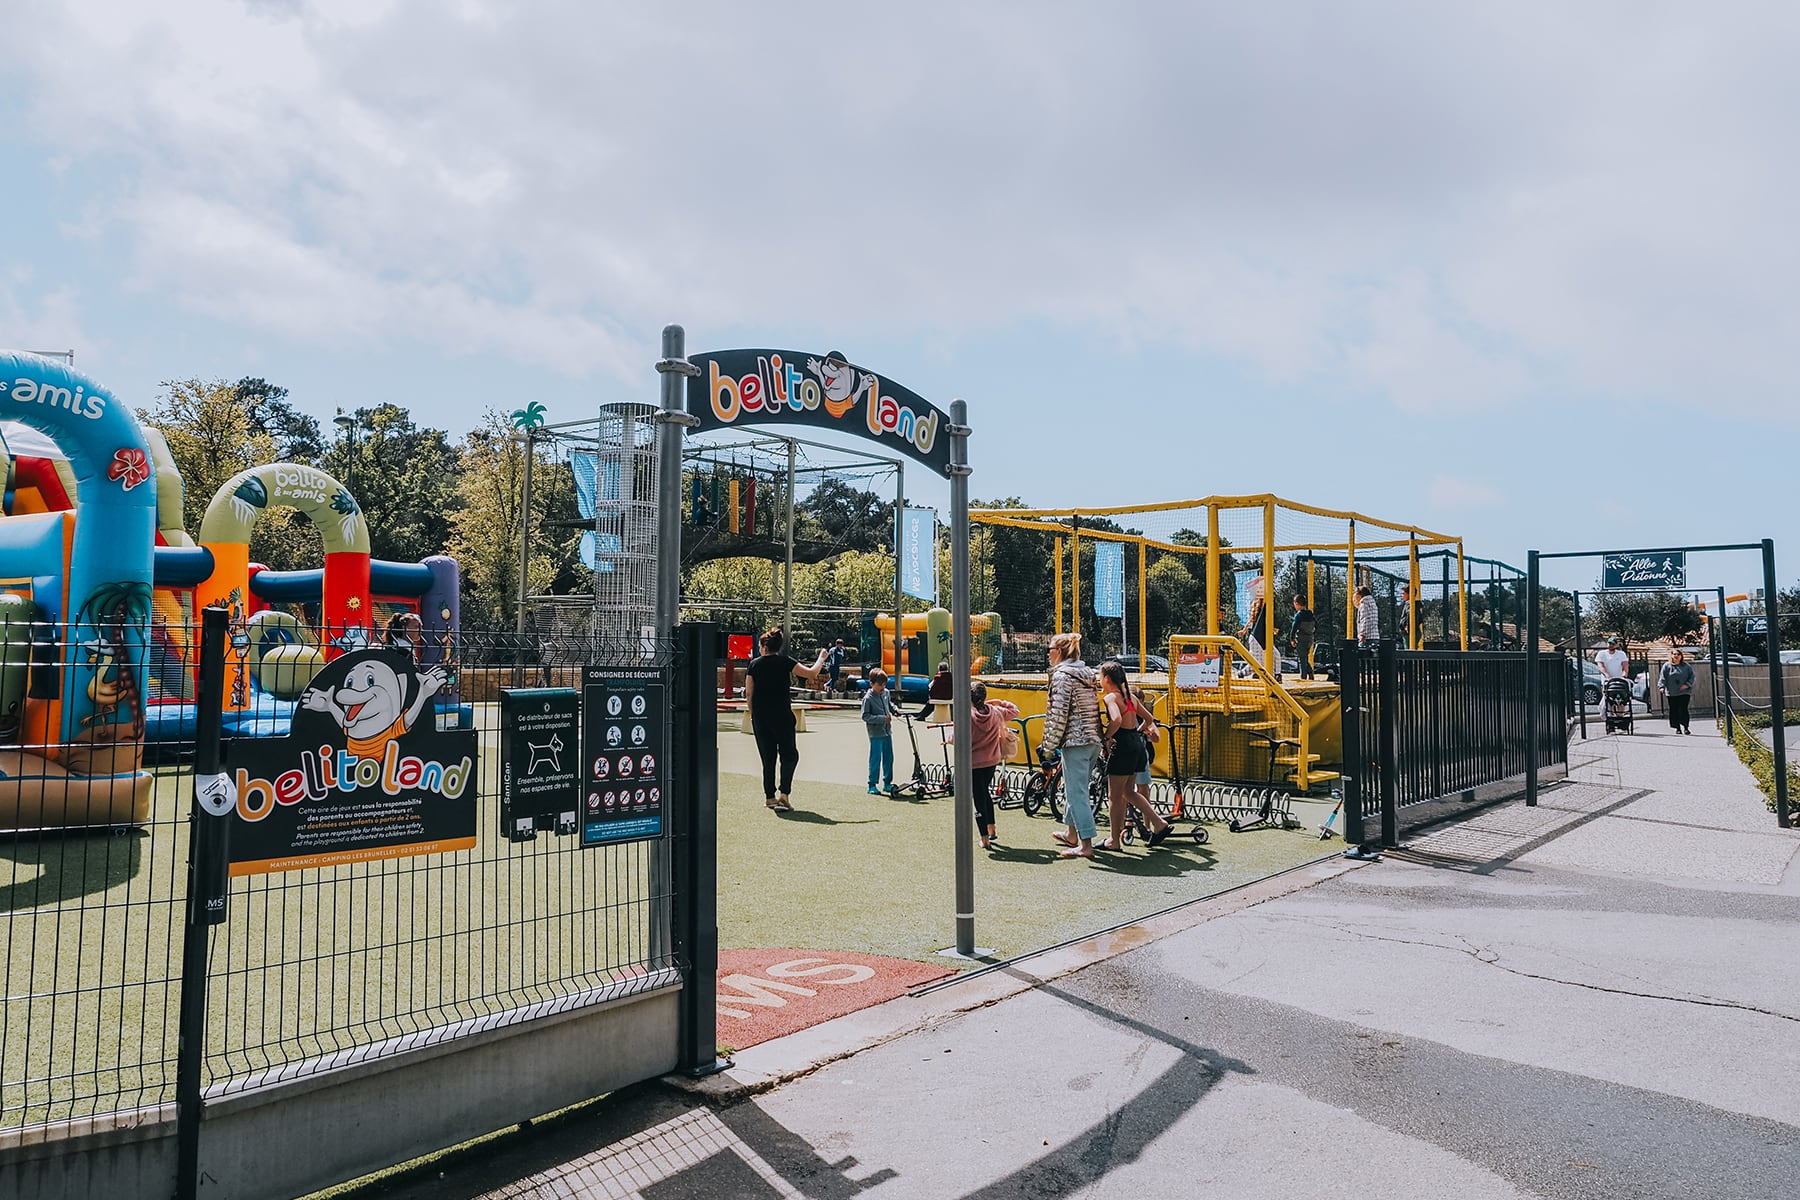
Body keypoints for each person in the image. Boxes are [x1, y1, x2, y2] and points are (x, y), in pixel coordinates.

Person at [745, 628, 828, 812]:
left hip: (761, 717)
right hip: (782, 716)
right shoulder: (785, 661)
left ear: (764, 646)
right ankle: (784, 795)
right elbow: (811, 674)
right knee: (789, 755)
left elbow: (749, 692)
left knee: (768, 758)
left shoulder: (754, 665)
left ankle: (769, 797)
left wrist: (753, 713)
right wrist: (821, 658)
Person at [1096, 663, 1173, 851]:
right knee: (1128, 792)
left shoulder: (1111, 698)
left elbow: (1116, 720)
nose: (1099, 679)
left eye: (1100, 676)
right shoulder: (1130, 697)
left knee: (1115, 796)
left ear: (1107, 679)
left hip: (1123, 746)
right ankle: (1159, 822)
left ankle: (1114, 840)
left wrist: (1107, 737)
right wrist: (1137, 731)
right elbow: (1149, 719)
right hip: (1136, 745)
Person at [1039, 632, 1101, 860]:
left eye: (1050, 649)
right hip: (1092, 739)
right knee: (1076, 787)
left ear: (1060, 652)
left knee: (1077, 793)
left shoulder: (1062, 676)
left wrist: (1048, 747)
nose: (1048, 653)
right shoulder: (1087, 674)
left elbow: (1058, 715)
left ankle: (1086, 844)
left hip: (1075, 741)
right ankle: (1071, 833)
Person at [966, 681, 1019, 849]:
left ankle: (984, 838)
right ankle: (991, 828)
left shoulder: (968, 715)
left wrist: (949, 740)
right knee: (985, 792)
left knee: (978, 798)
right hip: (991, 760)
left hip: (974, 763)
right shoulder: (996, 711)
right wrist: (999, 702)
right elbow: (1015, 710)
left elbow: (957, 736)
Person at [861, 668, 896, 792]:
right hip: (875, 733)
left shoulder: (886, 693)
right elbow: (865, 716)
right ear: (871, 683)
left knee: (889, 758)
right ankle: (872, 784)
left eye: (884, 684)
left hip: (887, 732)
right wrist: (882, 719)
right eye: (879, 685)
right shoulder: (868, 698)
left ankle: (887, 783)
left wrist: (894, 709)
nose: (882, 687)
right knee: (875, 759)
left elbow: (889, 705)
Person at [1659, 647, 1695, 735]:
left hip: (1684, 692)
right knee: (1674, 710)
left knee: (1683, 709)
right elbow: (1662, 677)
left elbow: (1692, 677)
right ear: (1671, 655)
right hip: (1672, 692)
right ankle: (1677, 727)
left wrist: (1687, 685)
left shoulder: (1686, 666)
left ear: (1681, 656)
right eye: (1674, 654)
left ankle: (1686, 727)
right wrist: (1661, 686)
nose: (1676, 656)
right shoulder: (1667, 666)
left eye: (1678, 654)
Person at [1289, 594, 1316, 680]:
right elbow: (1315, 624)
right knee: (1304, 657)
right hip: (1310, 638)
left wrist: (1292, 638)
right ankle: (1310, 672)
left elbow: (1294, 627)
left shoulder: (1299, 615)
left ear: (1297, 603)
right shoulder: (1310, 613)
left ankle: (1303, 676)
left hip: (1301, 638)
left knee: (1302, 659)